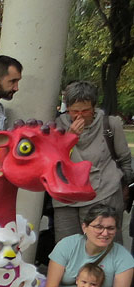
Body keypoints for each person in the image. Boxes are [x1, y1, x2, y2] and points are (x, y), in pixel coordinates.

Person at [53, 81, 132, 244]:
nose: (79, 116)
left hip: (103, 194)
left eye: (85, 111)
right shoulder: (58, 125)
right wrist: (70, 137)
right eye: (74, 111)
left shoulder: (110, 124)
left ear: (94, 107)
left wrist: (125, 186)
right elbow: (54, 159)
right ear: (67, 108)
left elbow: (125, 159)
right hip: (66, 197)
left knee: (103, 247)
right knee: (67, 248)